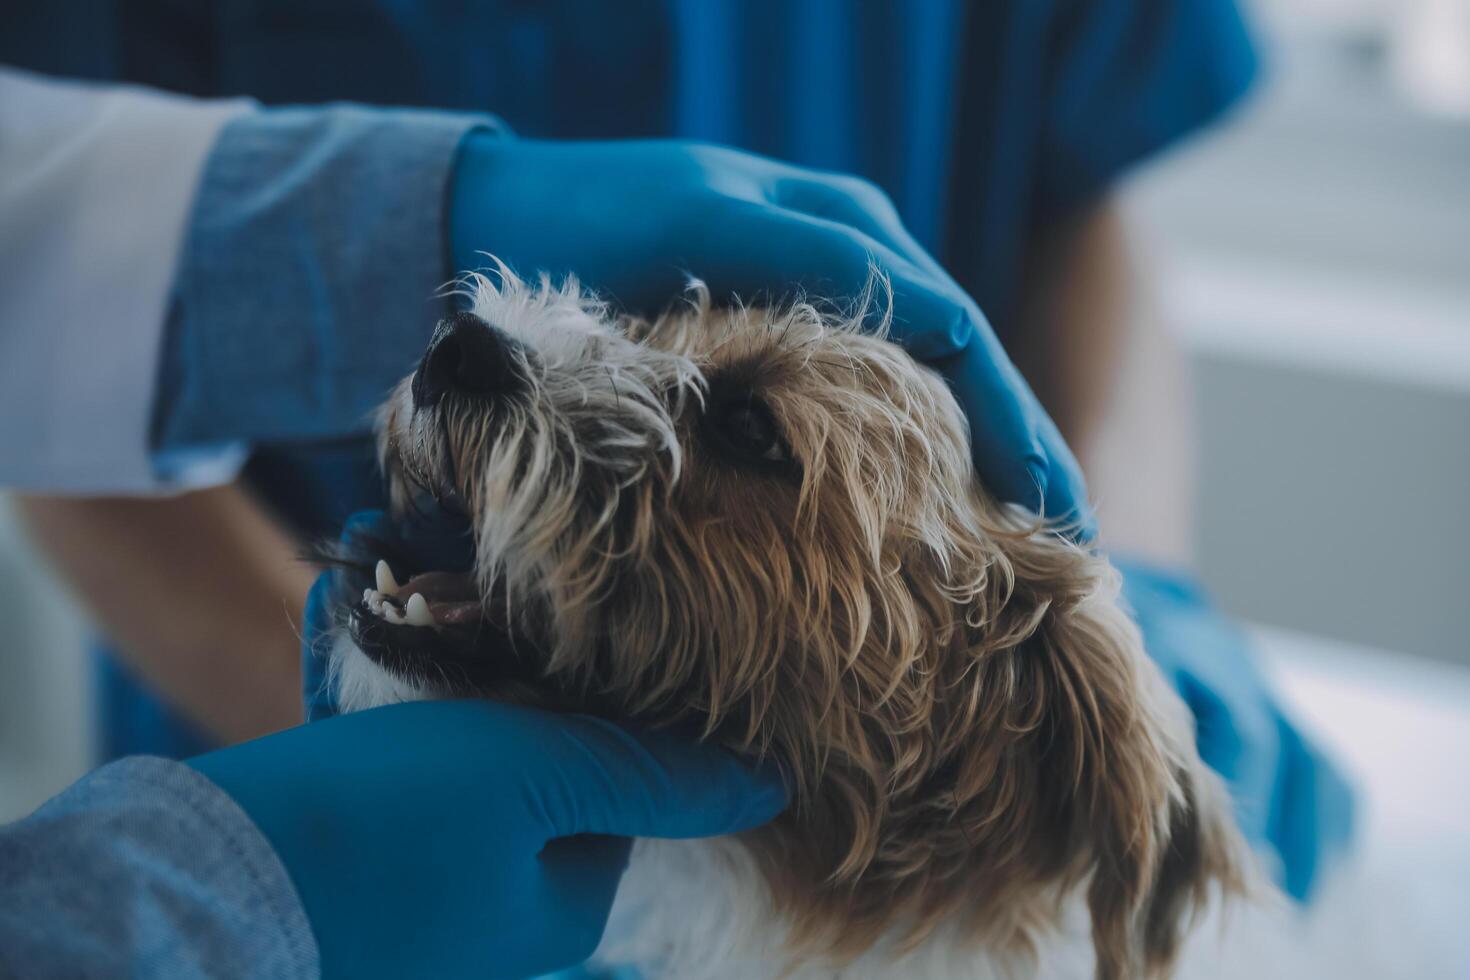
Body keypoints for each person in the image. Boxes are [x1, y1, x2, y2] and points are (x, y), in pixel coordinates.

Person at [0, 0, 1351, 973]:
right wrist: (286, 850)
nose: (483, 328)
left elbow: (1081, 186)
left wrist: (1122, 606)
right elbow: (58, 380)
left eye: (745, 433)